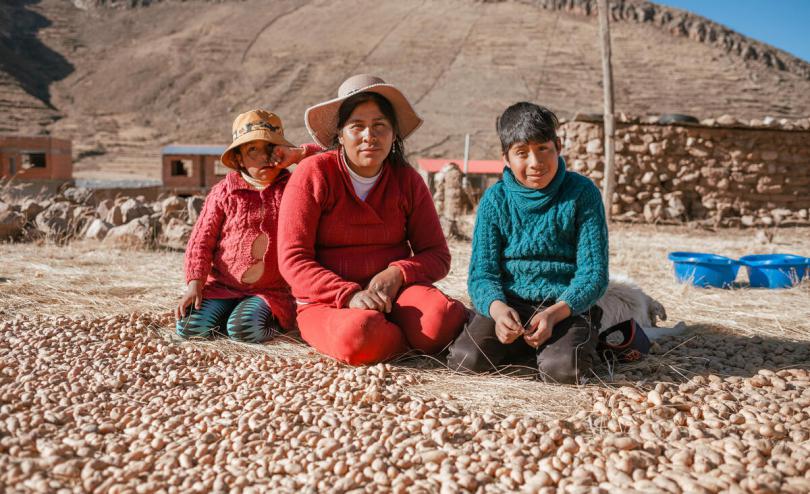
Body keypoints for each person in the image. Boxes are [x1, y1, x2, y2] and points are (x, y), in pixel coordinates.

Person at [278, 74, 467, 365]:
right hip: (328, 301)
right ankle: (403, 344)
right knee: (359, 335)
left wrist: (398, 274)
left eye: (380, 126)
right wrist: (349, 294)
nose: (370, 136)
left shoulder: (408, 181)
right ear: (340, 134)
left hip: (396, 295)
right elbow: (293, 259)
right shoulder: (313, 174)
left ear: (394, 135)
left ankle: (396, 338)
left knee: (443, 317)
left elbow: (438, 255)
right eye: (357, 126)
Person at [446, 102, 609, 384]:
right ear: (506, 158)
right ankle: (526, 346)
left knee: (562, 370)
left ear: (558, 146)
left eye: (543, 149)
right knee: (465, 360)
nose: (535, 163)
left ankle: (558, 347)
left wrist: (556, 313)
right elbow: (481, 274)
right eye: (522, 153)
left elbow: (593, 274)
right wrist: (497, 310)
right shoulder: (495, 201)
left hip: (563, 304)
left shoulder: (582, 194)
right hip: (510, 304)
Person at [175, 109, 320, 342]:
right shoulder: (224, 191)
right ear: (238, 158)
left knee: (245, 330)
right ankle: (226, 314)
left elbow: (334, 158)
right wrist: (195, 285)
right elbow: (201, 242)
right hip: (224, 287)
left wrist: (299, 154)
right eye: (253, 149)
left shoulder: (293, 187)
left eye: (271, 148)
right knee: (189, 327)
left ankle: (270, 322)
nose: (264, 157)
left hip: (270, 291)